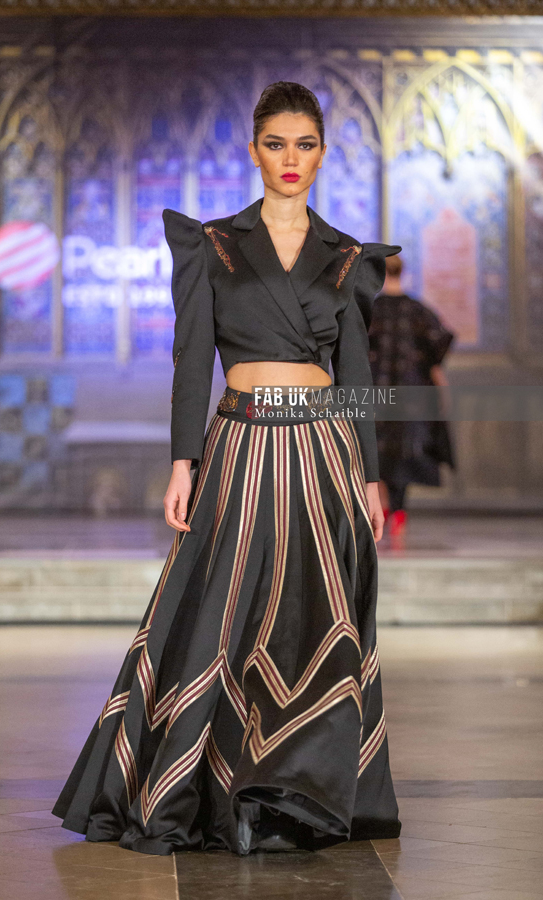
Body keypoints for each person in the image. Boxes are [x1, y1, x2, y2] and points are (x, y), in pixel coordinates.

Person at [53, 82, 402, 856]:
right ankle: (210, 786)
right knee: (224, 612)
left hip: (323, 451)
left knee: (316, 615)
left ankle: (301, 792)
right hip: (240, 443)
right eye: (276, 144)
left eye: (304, 145)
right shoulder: (214, 246)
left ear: (322, 153)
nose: (290, 159)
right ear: (254, 151)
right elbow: (191, 363)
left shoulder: (346, 256)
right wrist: (182, 461)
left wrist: (371, 475)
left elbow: (356, 374)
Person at [369, 254, 455, 539]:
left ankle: (383, 509)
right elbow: (438, 345)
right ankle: (399, 513)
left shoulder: (371, 310)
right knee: (403, 453)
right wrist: (438, 385)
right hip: (412, 396)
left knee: (379, 452)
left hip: (377, 394)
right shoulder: (418, 310)